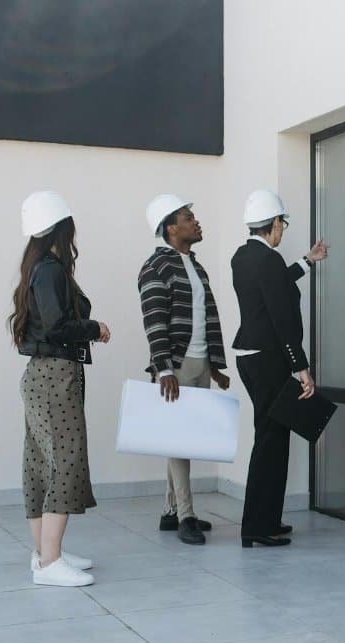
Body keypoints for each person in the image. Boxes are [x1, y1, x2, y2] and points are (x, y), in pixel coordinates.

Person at [8, 191, 111, 587]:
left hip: (40, 375)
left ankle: (43, 554)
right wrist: (94, 328)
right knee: (64, 464)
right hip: (55, 377)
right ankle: (50, 563)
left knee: (39, 466)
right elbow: (56, 326)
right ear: (62, 226)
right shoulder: (50, 269)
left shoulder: (36, 268)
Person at [230, 189, 329, 547]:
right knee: (271, 441)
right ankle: (257, 527)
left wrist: (307, 260)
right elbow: (282, 315)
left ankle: (266, 519)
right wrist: (300, 366)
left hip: (250, 357)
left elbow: (274, 286)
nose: (282, 231)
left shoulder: (243, 257)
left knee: (270, 437)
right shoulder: (268, 260)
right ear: (273, 223)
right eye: (282, 224)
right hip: (268, 358)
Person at [137, 194, 232, 545]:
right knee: (180, 440)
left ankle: (169, 510)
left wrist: (216, 366)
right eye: (189, 217)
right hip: (175, 366)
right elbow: (154, 320)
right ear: (171, 227)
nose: (196, 222)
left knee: (182, 438)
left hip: (201, 363)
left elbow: (210, 317)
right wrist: (164, 369)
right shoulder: (155, 266)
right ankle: (186, 516)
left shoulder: (196, 265)